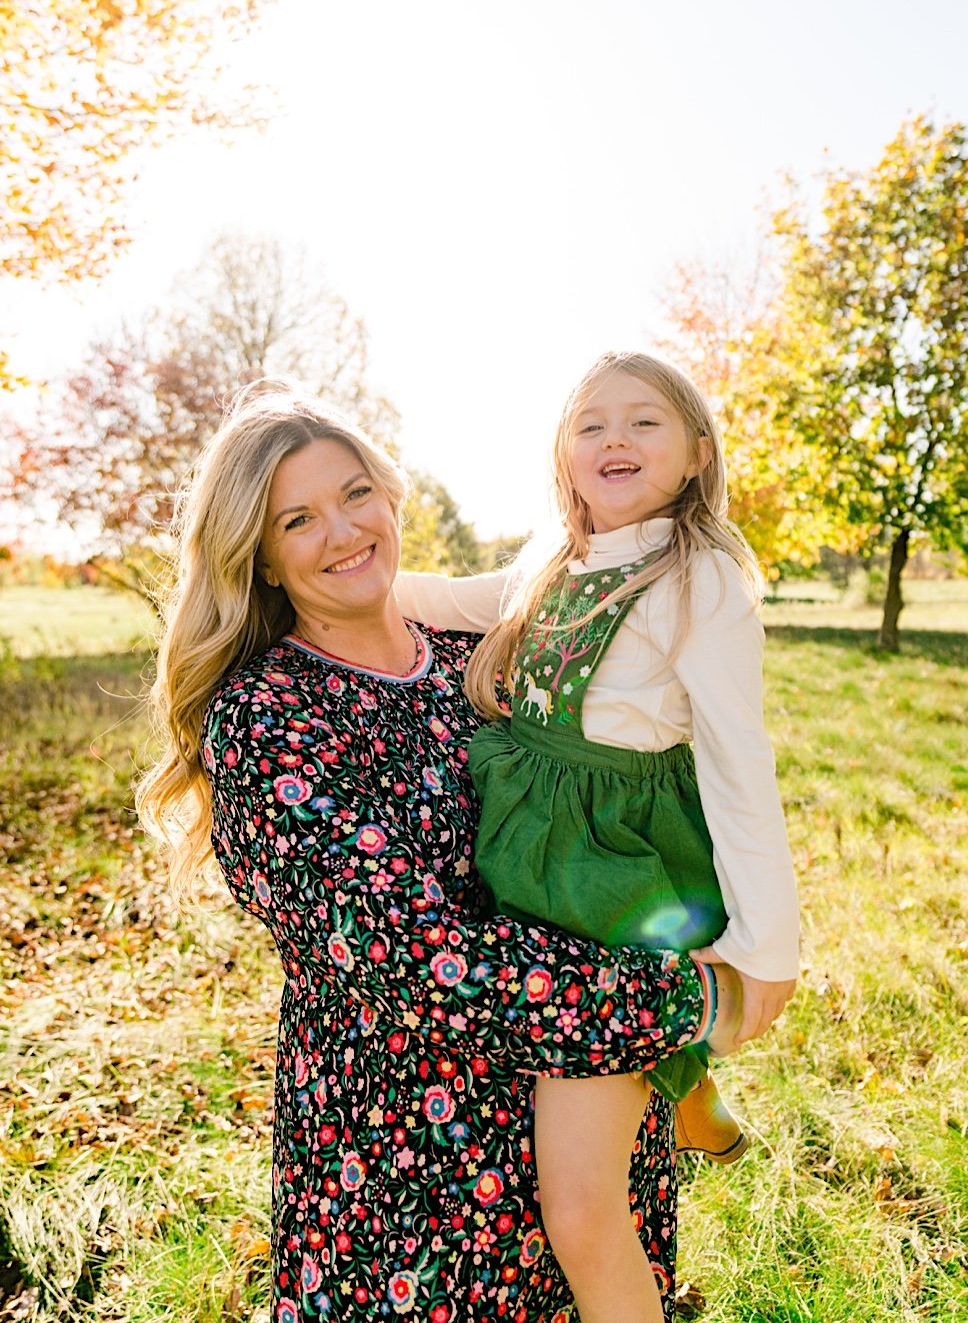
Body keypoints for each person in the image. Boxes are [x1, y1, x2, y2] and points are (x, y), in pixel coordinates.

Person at [135, 385, 739, 1318]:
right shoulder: (267, 718)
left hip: (583, 1123)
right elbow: (410, 951)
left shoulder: (484, 646)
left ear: (389, 492)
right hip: (410, 1175)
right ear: (256, 555)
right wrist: (676, 997)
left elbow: (636, 782)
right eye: (298, 519)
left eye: (355, 492)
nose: (343, 531)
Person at [387, 350, 798, 1323]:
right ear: (562, 457)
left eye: (644, 422)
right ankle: (678, 1087)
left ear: (699, 452)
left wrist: (767, 951)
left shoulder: (701, 581)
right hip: (523, 856)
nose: (614, 439)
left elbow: (741, 768)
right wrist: (350, 581)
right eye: (590, 424)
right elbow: (455, 602)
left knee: (576, 1205)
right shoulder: (551, 557)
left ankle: (675, 1067)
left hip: (611, 874)